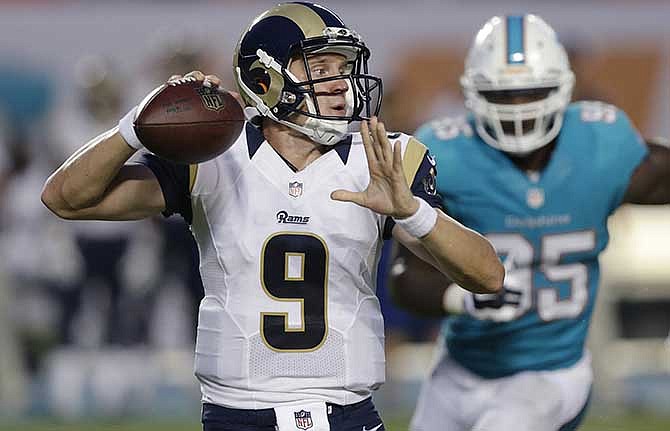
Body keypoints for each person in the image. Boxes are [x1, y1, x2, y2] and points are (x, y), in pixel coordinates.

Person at [41, 3, 503, 430]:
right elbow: (66, 198)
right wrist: (136, 124)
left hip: (346, 412)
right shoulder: (211, 155)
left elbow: (487, 275)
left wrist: (413, 211)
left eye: (344, 69)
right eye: (320, 69)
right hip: (235, 415)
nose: (340, 84)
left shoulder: (386, 158)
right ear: (266, 80)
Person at [390, 14, 670, 431]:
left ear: (562, 89)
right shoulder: (446, 154)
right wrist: (464, 298)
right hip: (459, 365)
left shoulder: (601, 145)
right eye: (502, 95)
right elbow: (404, 277)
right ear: (472, 94)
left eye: (531, 93)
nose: (518, 109)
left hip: (550, 372)